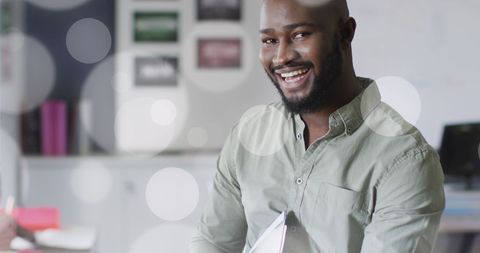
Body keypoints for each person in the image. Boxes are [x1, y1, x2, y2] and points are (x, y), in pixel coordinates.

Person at [190, 0, 445, 252]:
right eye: (270, 40)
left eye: (300, 35)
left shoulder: (405, 160)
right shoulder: (250, 132)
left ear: (345, 33)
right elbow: (214, 242)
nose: (281, 57)